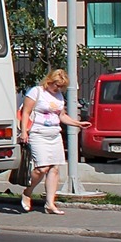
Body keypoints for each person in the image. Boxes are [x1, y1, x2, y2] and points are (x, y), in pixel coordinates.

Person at [19, 69, 91, 215]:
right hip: (38, 133)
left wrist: (77, 123)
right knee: (42, 168)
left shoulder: (58, 96)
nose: (58, 89)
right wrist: (24, 132)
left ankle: (50, 203)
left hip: (54, 134)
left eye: (61, 86)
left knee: (54, 168)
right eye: (56, 85)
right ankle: (28, 191)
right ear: (49, 81)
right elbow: (25, 112)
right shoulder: (36, 92)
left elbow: (62, 115)